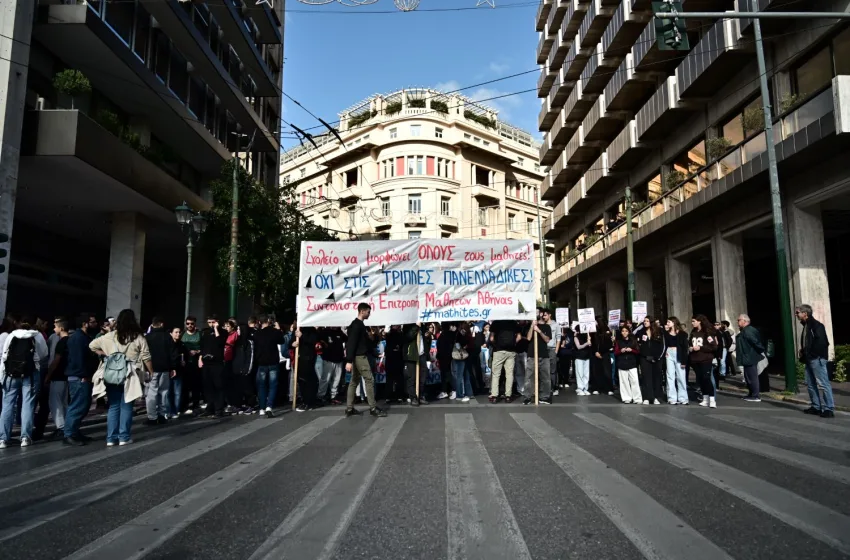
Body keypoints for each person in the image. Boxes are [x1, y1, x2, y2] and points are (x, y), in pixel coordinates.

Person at [90, 309, 153, 446]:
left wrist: (106, 354)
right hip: (130, 374)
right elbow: (146, 356)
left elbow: (92, 345)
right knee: (127, 405)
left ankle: (111, 438)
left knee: (113, 406)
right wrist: (151, 372)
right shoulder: (138, 337)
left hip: (111, 374)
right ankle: (124, 437)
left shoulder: (109, 336)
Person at [0, 316, 49, 448]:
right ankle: (25, 438)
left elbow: (5, 354)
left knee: (7, 405)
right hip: (31, 374)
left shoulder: (11, 335)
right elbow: (44, 354)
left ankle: (3, 439)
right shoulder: (37, 336)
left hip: (11, 374)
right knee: (28, 404)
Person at [63, 314, 100, 446]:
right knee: (77, 405)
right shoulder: (78, 338)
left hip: (83, 376)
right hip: (80, 377)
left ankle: (74, 431)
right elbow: (78, 359)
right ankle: (69, 434)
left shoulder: (83, 337)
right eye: (92, 322)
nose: (95, 324)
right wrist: (84, 374)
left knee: (83, 405)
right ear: (85, 324)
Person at [344, 303, 386, 417]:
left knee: (354, 381)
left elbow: (365, 343)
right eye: (368, 312)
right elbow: (351, 343)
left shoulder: (359, 325)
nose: (369, 314)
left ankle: (349, 408)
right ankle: (373, 408)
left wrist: (374, 351)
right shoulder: (357, 325)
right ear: (362, 311)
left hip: (359, 356)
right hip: (360, 357)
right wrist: (349, 361)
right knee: (369, 380)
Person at [34, 317, 70, 440]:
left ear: (61, 328)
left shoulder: (61, 342)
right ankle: (66, 426)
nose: (54, 329)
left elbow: (55, 360)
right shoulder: (70, 340)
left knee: (55, 402)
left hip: (57, 375)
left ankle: (61, 427)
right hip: (66, 376)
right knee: (63, 402)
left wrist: (48, 375)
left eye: (56, 326)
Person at [796, 304, 834, 418]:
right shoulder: (807, 325)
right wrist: (804, 351)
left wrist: (811, 354)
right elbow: (809, 342)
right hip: (810, 359)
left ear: (805, 314)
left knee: (823, 384)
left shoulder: (816, 325)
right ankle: (816, 406)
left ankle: (828, 408)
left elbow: (822, 343)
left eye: (798, 312)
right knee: (811, 384)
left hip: (816, 359)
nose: (796, 314)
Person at [145, 317, 178, 425]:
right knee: (163, 392)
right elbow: (173, 353)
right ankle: (162, 414)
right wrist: (173, 367)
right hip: (165, 368)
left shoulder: (147, 337)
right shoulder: (167, 336)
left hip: (151, 368)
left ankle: (152, 417)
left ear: (152, 325)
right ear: (162, 324)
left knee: (151, 393)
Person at [254, 315, 285, 416]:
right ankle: (269, 406)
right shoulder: (274, 332)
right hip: (273, 361)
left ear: (259, 322)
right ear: (268, 321)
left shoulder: (257, 333)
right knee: (273, 385)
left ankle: (262, 407)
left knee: (261, 385)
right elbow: (282, 341)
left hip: (261, 361)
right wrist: (278, 329)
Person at [198, 315, 227, 417]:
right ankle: (210, 407)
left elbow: (220, 342)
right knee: (208, 386)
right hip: (207, 362)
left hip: (217, 363)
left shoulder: (222, 332)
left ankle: (219, 409)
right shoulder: (205, 332)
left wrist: (216, 328)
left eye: (213, 322)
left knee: (218, 386)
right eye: (209, 322)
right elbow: (202, 346)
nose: (211, 324)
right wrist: (200, 358)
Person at [690, 315, 719, 409]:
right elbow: (690, 343)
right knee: (700, 379)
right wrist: (690, 348)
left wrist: (701, 348)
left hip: (706, 359)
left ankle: (712, 399)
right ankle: (705, 398)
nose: (692, 323)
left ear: (699, 321)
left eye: (694, 321)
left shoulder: (707, 332)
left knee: (706, 378)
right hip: (695, 359)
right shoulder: (693, 332)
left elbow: (713, 346)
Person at [489, 320, 520, 403]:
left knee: (496, 374)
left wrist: (496, 344)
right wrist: (513, 344)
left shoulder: (496, 322)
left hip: (498, 350)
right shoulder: (513, 322)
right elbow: (519, 337)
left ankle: (494, 396)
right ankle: (508, 396)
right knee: (509, 374)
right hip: (511, 351)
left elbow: (491, 338)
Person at [735, 314, 765, 403]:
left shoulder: (748, 331)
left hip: (749, 356)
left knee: (752, 377)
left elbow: (756, 342)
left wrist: (760, 350)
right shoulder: (746, 330)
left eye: (739, 320)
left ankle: (755, 395)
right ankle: (751, 394)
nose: (737, 321)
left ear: (745, 321)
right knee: (748, 377)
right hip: (747, 356)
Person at [636, 316, 665, 405]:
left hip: (656, 358)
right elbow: (634, 336)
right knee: (645, 377)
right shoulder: (641, 331)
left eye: (647, 321)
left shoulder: (659, 331)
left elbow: (662, 346)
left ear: (651, 322)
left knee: (656, 378)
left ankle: (655, 397)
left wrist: (657, 357)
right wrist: (639, 325)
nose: (645, 322)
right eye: (644, 321)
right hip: (645, 358)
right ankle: (646, 397)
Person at [523, 318, 552, 405]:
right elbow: (528, 338)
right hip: (532, 355)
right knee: (529, 377)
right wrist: (532, 326)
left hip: (544, 355)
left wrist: (539, 331)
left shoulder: (546, 326)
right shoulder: (528, 326)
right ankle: (527, 397)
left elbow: (547, 340)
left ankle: (544, 397)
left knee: (545, 377)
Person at [664, 317, 690, 405]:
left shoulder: (682, 334)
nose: (667, 323)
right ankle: (672, 398)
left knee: (681, 376)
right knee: (670, 375)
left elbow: (685, 348)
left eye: (669, 322)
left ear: (674, 322)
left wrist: (684, 361)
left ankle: (683, 398)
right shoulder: (666, 333)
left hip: (679, 353)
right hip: (669, 352)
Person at [614, 325, 641, 404]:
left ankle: (637, 398)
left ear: (629, 332)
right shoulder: (618, 341)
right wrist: (621, 351)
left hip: (632, 363)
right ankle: (626, 397)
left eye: (626, 331)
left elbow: (638, 351)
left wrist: (631, 350)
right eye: (623, 331)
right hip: (622, 363)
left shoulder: (633, 341)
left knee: (634, 381)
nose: (624, 333)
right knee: (624, 382)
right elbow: (615, 352)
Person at [181, 316, 202, 416]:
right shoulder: (182, 334)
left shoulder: (199, 334)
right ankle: (185, 405)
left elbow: (203, 346)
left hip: (196, 362)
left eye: (192, 323)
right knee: (185, 385)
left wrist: (197, 352)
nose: (190, 325)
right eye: (188, 323)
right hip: (185, 363)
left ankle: (196, 405)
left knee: (196, 385)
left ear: (195, 324)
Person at [403, 323, 428, 406]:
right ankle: (413, 397)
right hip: (412, 356)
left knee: (423, 376)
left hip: (422, 354)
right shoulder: (407, 326)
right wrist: (416, 327)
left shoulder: (423, 326)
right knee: (412, 377)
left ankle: (421, 395)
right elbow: (408, 337)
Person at [590, 321, 614, 396]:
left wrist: (612, 339)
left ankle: (609, 388)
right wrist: (595, 352)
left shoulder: (607, 334)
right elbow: (592, 344)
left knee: (607, 372)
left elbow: (609, 345)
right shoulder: (593, 334)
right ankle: (596, 388)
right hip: (596, 354)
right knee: (596, 372)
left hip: (605, 354)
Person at [169, 326, 188, 418]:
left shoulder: (182, 344)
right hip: (170, 370)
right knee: (169, 392)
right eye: (176, 332)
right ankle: (170, 411)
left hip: (180, 370)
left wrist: (184, 361)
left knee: (178, 392)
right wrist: (172, 368)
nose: (178, 334)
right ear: (171, 333)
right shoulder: (168, 344)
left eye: (179, 332)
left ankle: (176, 410)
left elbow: (185, 355)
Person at [452, 323, 473, 403]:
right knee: (460, 376)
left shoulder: (458, 333)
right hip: (461, 355)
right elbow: (461, 344)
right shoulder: (460, 334)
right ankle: (460, 395)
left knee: (465, 375)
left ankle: (468, 393)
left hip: (462, 356)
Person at [573, 325, 592, 396]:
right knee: (580, 373)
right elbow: (578, 347)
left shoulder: (587, 336)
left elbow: (590, 345)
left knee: (586, 374)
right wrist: (586, 343)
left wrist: (589, 339)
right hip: (579, 357)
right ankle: (580, 388)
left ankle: (585, 388)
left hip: (587, 356)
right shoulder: (576, 337)